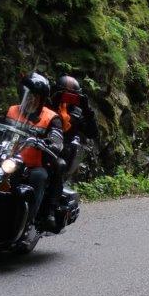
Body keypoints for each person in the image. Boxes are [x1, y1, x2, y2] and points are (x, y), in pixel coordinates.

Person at [6, 72, 63, 230]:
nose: (30, 98)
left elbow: (57, 139)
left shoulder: (51, 118)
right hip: (6, 159)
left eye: (35, 96)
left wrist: (52, 144)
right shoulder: (12, 110)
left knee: (39, 177)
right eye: (27, 94)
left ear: (41, 99)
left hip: (33, 165)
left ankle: (28, 223)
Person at [45, 75, 99, 227]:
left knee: (59, 165)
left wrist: (87, 110)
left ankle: (50, 210)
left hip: (60, 151)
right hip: (37, 143)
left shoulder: (77, 113)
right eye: (64, 94)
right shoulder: (45, 104)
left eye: (72, 96)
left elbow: (92, 133)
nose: (67, 98)